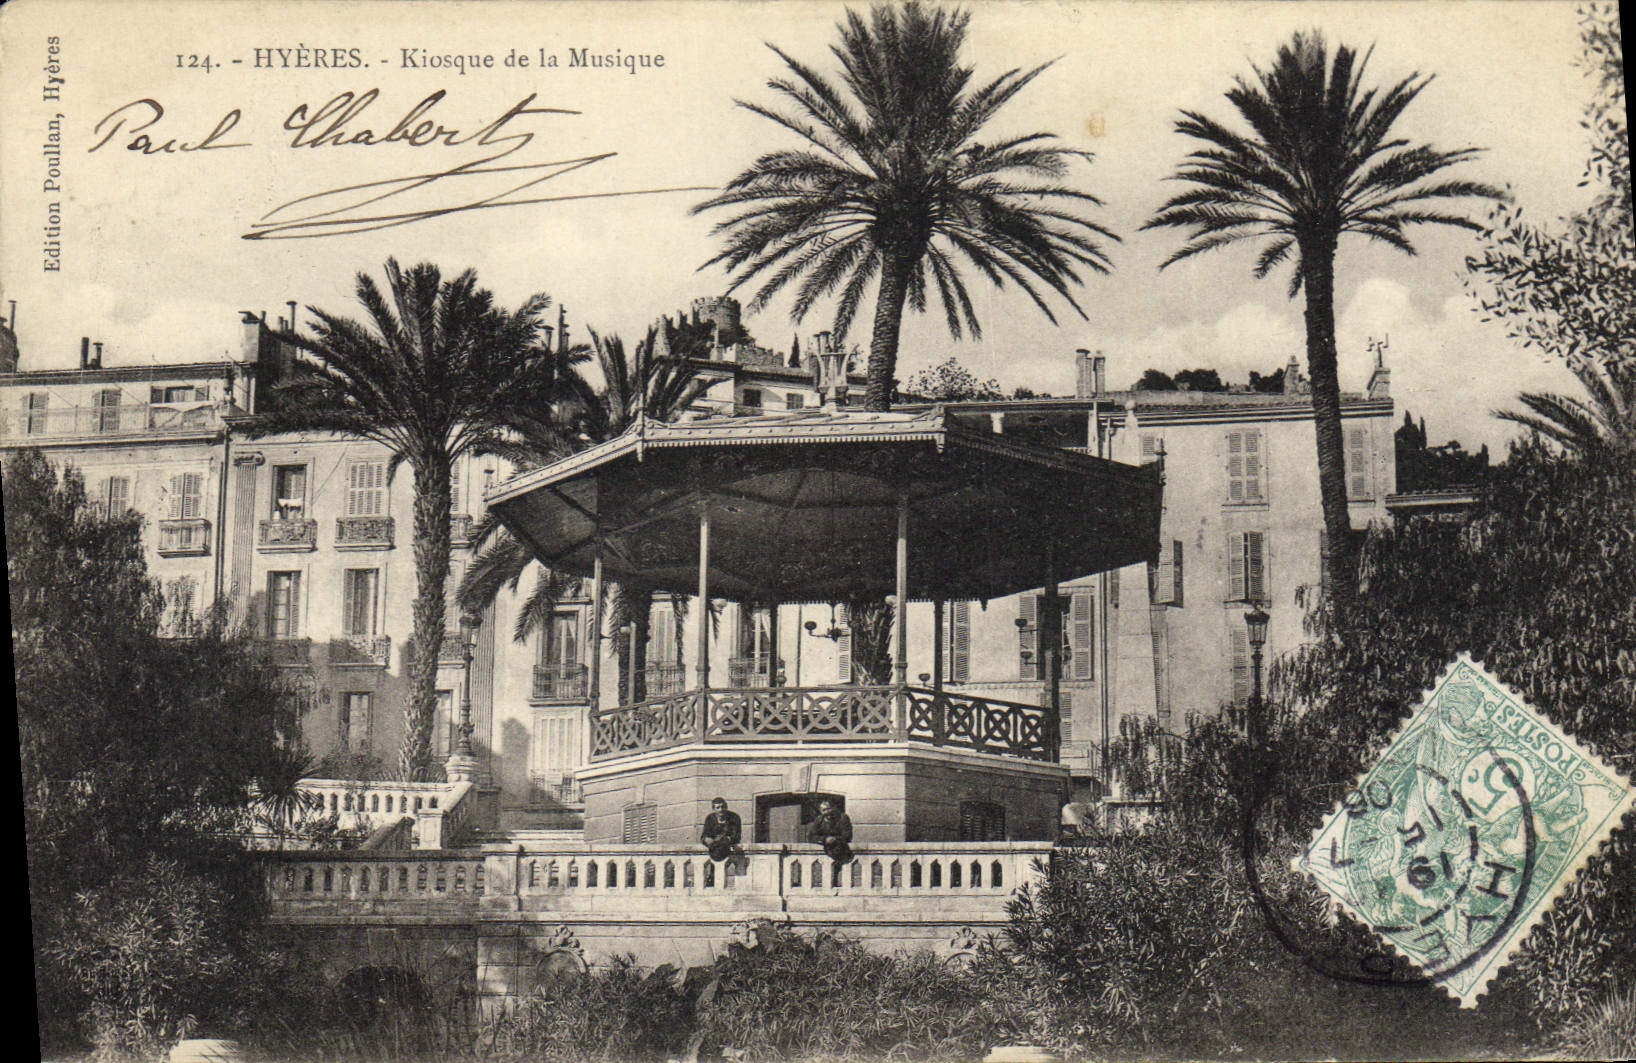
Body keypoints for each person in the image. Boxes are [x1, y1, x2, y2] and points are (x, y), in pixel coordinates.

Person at [807, 798, 853, 865]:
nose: (827, 812)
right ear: (820, 811)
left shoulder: (842, 818)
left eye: (829, 809)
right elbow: (811, 836)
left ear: (833, 808)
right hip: (826, 853)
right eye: (824, 810)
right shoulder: (819, 820)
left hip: (841, 850)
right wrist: (825, 839)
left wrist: (835, 839)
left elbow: (847, 835)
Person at [699, 797, 742, 862]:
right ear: (714, 809)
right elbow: (704, 836)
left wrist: (726, 839)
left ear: (726, 807)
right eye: (718, 807)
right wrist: (707, 840)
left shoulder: (734, 817)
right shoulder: (710, 818)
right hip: (714, 848)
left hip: (727, 847)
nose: (721, 810)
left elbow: (736, 836)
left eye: (723, 807)